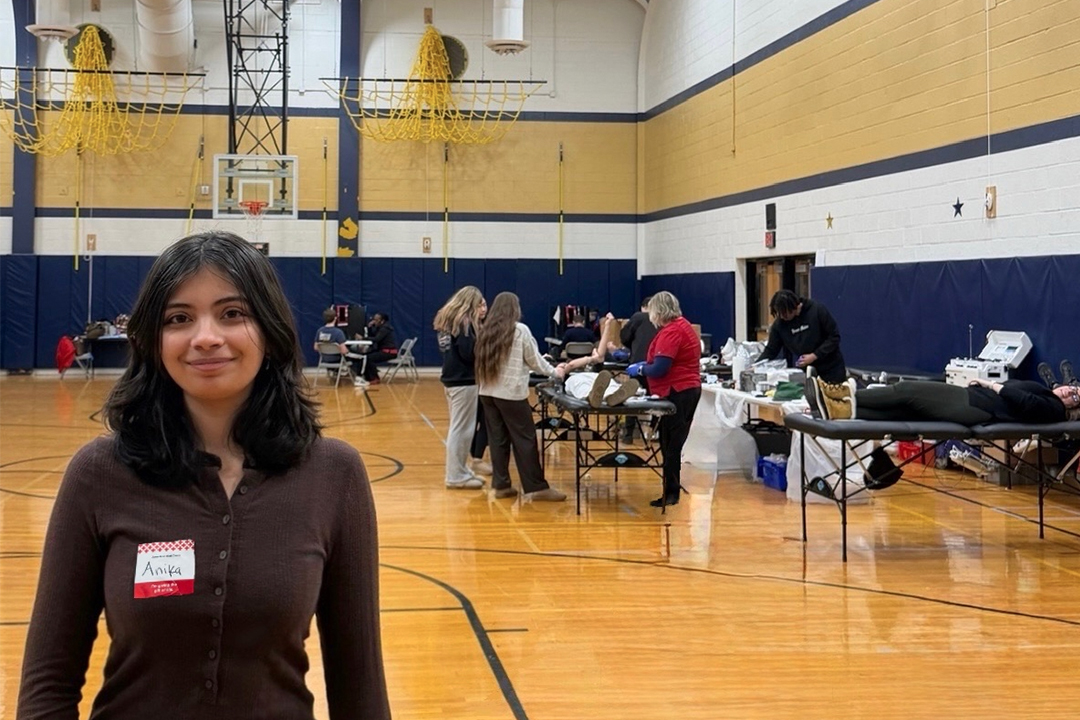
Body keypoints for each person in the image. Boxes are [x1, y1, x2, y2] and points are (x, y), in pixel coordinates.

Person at [17, 231, 391, 720]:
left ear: (270, 329)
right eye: (179, 318)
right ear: (154, 339)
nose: (206, 336)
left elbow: (360, 688)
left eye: (233, 313)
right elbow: (47, 685)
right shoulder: (98, 474)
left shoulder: (335, 475)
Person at [475, 292, 568, 501]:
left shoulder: (485, 331)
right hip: (510, 393)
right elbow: (534, 360)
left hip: (487, 393)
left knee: (498, 440)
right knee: (525, 439)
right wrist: (556, 371)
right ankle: (536, 487)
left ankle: (501, 485)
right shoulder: (519, 330)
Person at [626, 291, 702, 507]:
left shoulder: (672, 332)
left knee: (670, 444)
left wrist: (640, 368)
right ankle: (671, 489)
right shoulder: (682, 326)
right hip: (685, 390)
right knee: (671, 442)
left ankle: (671, 493)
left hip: (678, 392)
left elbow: (660, 368)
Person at [812, 375, 1080, 424]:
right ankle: (840, 412)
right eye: (1074, 388)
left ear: (1073, 408)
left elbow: (1024, 402)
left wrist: (990, 384)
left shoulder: (1054, 410)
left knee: (906, 391)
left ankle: (841, 395)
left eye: (1075, 398)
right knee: (904, 412)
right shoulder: (1051, 397)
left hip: (975, 404)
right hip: (976, 403)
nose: (1070, 392)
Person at [434, 286, 488, 490]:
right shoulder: (465, 322)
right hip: (464, 380)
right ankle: (455, 476)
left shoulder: (447, 321)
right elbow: (468, 353)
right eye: (480, 303)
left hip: (451, 377)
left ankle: (461, 470)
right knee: (462, 430)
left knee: (460, 428)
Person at [756, 289, 847, 383]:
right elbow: (771, 350)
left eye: (784, 313)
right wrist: (756, 366)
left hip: (831, 368)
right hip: (807, 371)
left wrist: (814, 355)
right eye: (779, 314)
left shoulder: (816, 310)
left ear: (793, 307)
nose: (782, 317)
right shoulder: (780, 325)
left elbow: (834, 337)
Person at [619, 296, 658, 442]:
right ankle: (654, 431)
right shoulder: (663, 320)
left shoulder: (638, 317)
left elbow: (624, 336)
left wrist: (632, 347)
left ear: (643, 307)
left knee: (632, 396)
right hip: (656, 364)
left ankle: (628, 434)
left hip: (638, 364)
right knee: (656, 398)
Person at [361, 311, 398, 384]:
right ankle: (368, 376)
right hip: (383, 350)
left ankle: (375, 378)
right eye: (373, 319)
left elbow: (376, 339)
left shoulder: (385, 329)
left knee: (369, 358)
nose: (374, 321)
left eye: (376, 320)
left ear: (382, 321)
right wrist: (370, 328)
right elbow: (373, 336)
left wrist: (363, 338)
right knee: (365, 356)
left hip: (388, 352)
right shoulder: (381, 327)